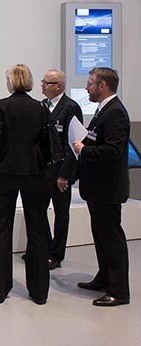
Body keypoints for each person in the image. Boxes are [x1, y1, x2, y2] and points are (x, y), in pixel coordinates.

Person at [0, 64, 49, 305]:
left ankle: (0, 289)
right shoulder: (40, 107)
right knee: (37, 229)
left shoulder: (1, 106)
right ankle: (39, 291)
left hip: (6, 171)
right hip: (34, 172)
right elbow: (46, 142)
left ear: (12, 81)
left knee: (2, 227)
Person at [73, 67, 130, 307]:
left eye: (90, 84)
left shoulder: (115, 113)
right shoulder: (103, 110)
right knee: (101, 236)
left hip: (108, 188)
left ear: (103, 86)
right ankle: (104, 278)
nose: (86, 88)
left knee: (112, 239)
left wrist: (84, 150)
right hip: (98, 188)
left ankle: (119, 291)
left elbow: (113, 150)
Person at [40, 69, 83, 269]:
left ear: (59, 86)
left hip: (60, 172)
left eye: (46, 83)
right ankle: (43, 248)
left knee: (61, 213)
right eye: (42, 82)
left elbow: (73, 144)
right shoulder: (41, 106)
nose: (42, 86)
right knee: (38, 210)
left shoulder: (71, 108)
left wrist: (65, 174)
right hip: (42, 170)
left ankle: (56, 254)